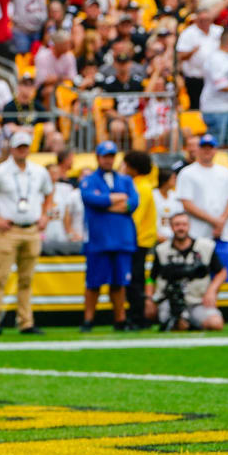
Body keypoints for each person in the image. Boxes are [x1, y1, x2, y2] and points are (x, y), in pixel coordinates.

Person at [0, 130, 54, 335]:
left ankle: (26, 321)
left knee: (26, 278)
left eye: (25, 147)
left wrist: (45, 215)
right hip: (8, 230)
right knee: (0, 277)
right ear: (12, 148)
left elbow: (49, 192)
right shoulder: (0, 172)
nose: (22, 150)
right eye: (19, 147)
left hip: (31, 229)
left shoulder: (39, 172)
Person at [79, 141, 139, 331]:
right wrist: (115, 199)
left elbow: (134, 202)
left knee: (119, 282)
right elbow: (91, 199)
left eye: (112, 156)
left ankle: (120, 319)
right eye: (105, 156)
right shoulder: (89, 180)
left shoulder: (125, 180)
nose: (109, 160)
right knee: (94, 282)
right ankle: (88, 320)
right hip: (100, 239)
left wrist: (107, 204)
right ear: (98, 158)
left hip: (122, 238)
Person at [146, 213, 226, 331]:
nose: (181, 228)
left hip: (198, 301)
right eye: (177, 224)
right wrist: (149, 299)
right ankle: (183, 324)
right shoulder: (161, 250)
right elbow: (150, 278)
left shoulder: (205, 247)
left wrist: (212, 291)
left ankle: (192, 323)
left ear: (189, 226)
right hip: (169, 301)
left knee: (216, 323)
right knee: (174, 325)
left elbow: (222, 272)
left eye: (184, 224)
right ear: (171, 227)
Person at [176, 133, 228, 281]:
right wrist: (216, 221)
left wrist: (221, 221)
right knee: (198, 276)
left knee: (222, 274)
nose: (207, 151)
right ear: (198, 149)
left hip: (222, 232)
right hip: (197, 233)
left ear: (215, 150)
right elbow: (186, 203)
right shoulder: (187, 173)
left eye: (210, 147)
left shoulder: (224, 172)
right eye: (204, 147)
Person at [123, 150, 158, 329]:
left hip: (137, 241)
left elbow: (135, 216)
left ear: (133, 168)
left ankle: (138, 318)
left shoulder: (140, 187)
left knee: (135, 281)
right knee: (135, 280)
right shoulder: (141, 184)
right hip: (139, 240)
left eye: (126, 165)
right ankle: (137, 316)